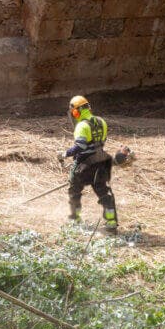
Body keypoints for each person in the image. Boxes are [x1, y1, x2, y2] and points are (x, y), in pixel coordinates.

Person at [58, 95, 117, 231]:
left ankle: (75, 219)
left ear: (76, 111)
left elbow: (80, 146)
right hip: (101, 163)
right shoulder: (101, 121)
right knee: (103, 192)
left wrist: (65, 154)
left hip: (84, 165)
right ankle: (111, 222)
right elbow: (101, 141)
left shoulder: (81, 126)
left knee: (74, 191)